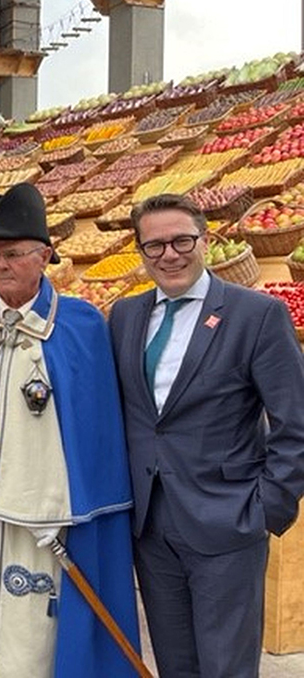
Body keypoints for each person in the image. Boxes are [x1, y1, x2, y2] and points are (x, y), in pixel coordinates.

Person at [0, 183, 140, 678]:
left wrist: (71, 508)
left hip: (43, 521)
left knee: (34, 631)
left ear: (45, 256)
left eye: (11, 254)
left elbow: (94, 435)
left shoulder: (80, 324)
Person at [109, 194, 304, 678]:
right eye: (154, 246)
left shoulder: (255, 315)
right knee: (175, 664)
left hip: (227, 521)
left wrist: (267, 507)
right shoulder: (125, 317)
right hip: (151, 525)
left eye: (181, 241)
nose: (169, 255)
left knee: (227, 668)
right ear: (141, 252)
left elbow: (294, 422)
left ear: (206, 240)